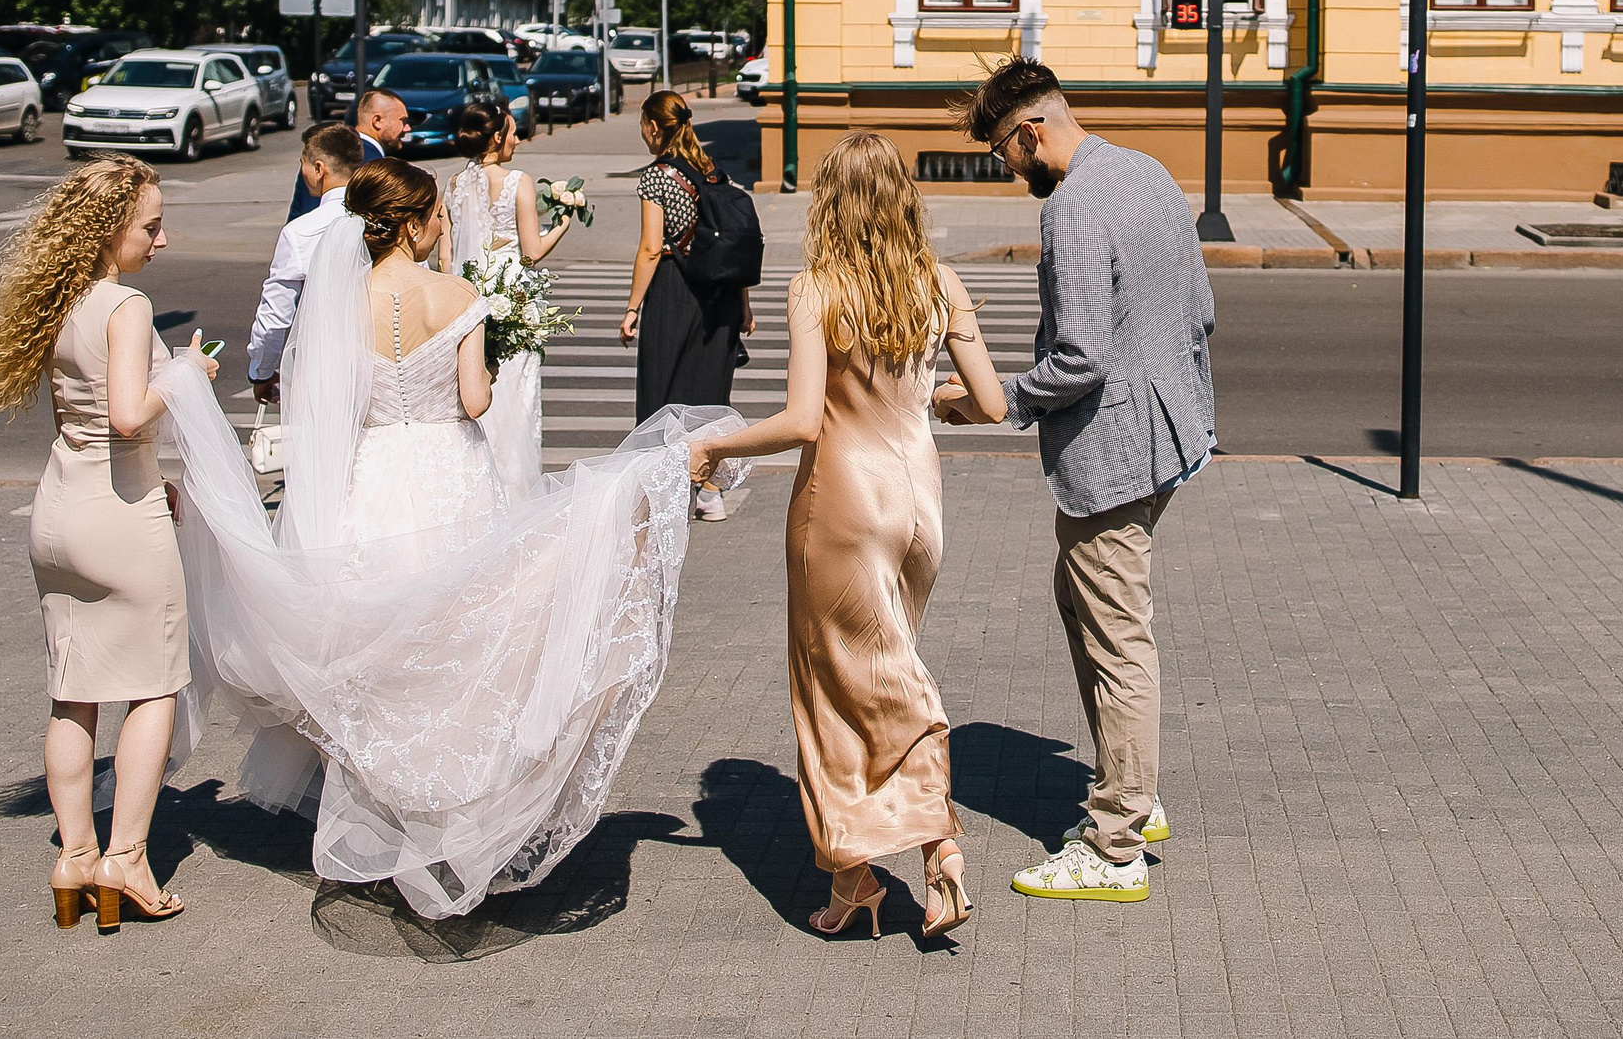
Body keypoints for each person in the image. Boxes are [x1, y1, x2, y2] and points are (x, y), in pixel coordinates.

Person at [158, 159, 738, 919]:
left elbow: (319, 407)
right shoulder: (458, 295)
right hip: (444, 477)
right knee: (455, 642)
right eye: (434, 216)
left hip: (370, 478)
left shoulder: (335, 306)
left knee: (374, 649)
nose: (442, 227)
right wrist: (485, 367)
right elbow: (473, 400)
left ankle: (379, 814)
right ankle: (441, 816)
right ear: (409, 223)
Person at [690, 131, 1003, 939]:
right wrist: (934, 402)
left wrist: (715, 443)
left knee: (839, 688)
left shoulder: (815, 289)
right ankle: (857, 878)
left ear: (832, 201)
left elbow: (801, 421)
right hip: (919, 506)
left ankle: (932, 848)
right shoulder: (940, 283)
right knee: (883, 668)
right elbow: (993, 405)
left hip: (842, 504)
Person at [954, 58, 1215, 904]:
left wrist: (998, 401)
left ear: (1031, 130)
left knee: (1115, 633)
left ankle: (1114, 841)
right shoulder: (1146, 170)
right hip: (1171, 432)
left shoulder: (1070, 207)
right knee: (1085, 599)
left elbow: (1080, 356)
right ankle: (1129, 787)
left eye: (1002, 150)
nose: (1006, 167)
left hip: (1110, 454)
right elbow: (1200, 306)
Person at [0, 156, 218, 931]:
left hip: (59, 511)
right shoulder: (126, 305)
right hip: (120, 521)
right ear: (108, 230)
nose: (162, 240)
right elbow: (129, 414)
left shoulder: (56, 300)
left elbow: (86, 420)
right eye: (151, 226)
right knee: (156, 685)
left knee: (74, 691)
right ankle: (126, 856)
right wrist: (190, 371)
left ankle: (74, 858)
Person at [619, 89, 751, 520]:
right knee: (710, 395)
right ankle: (709, 492)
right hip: (723, 295)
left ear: (654, 128)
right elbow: (735, 244)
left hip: (677, 290)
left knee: (663, 392)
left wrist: (633, 307)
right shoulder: (714, 172)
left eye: (642, 126)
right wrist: (745, 304)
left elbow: (651, 248)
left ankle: (665, 491)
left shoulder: (657, 177)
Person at [446, 99, 574, 493]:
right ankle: (516, 489)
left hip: (466, 295)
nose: (518, 139)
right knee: (514, 397)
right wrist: (564, 222)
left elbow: (446, 258)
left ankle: (478, 484)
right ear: (498, 137)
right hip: (511, 298)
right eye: (513, 131)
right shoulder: (519, 181)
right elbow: (531, 252)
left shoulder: (451, 184)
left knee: (473, 387)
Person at [248, 121, 365, 406]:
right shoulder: (385, 220)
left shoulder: (301, 231)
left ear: (319, 168)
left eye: (303, 163)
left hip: (326, 368)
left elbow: (275, 316)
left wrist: (262, 372)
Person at [288, 86, 407, 219]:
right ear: (377, 121)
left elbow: (302, 215)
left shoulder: (323, 150)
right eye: (403, 120)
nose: (407, 128)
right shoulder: (375, 166)